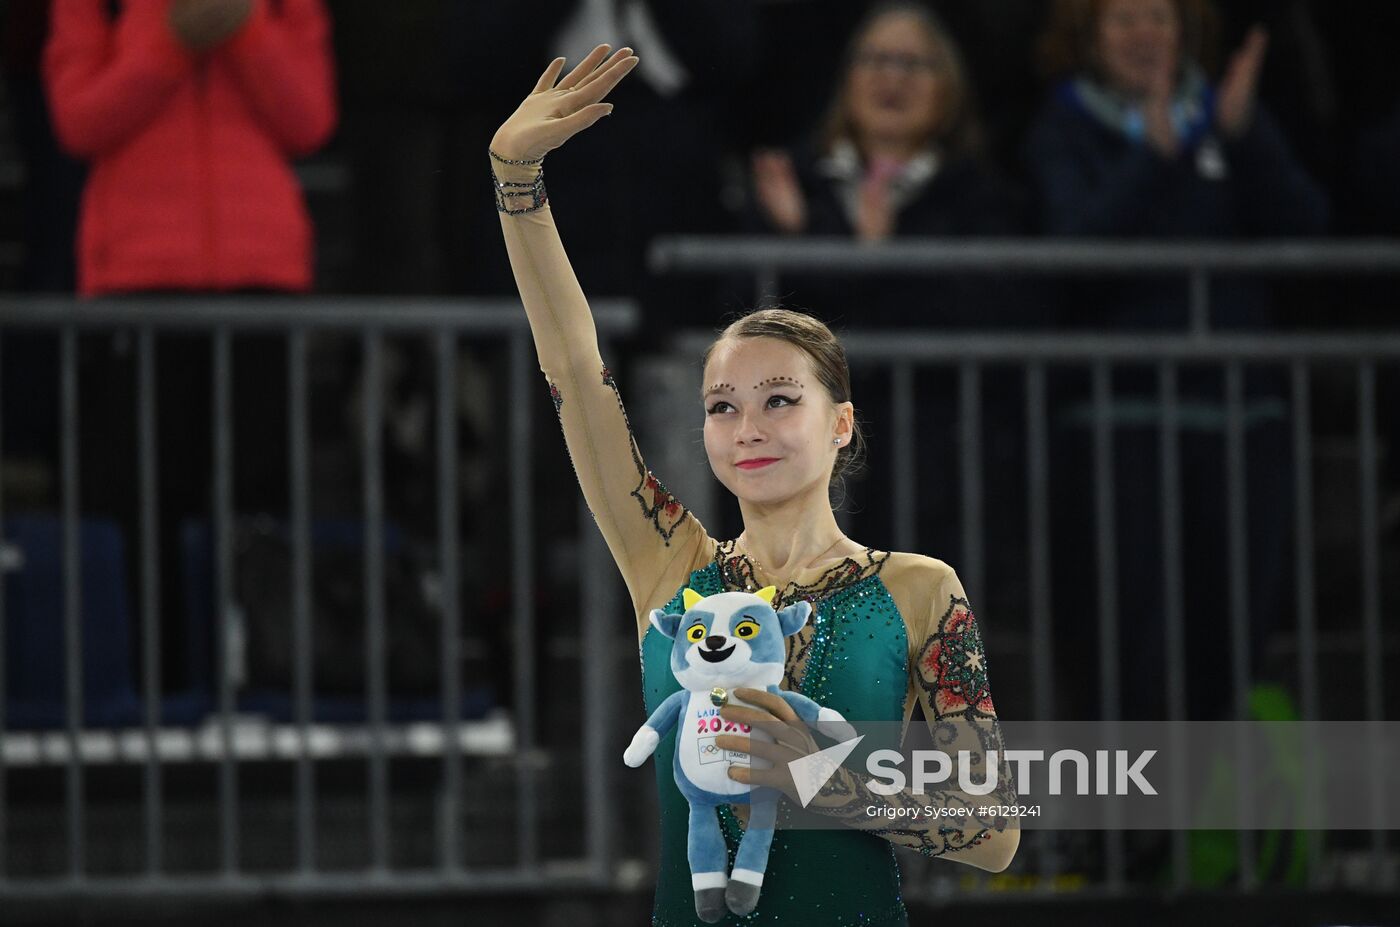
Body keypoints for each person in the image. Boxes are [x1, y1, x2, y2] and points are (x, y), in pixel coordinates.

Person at [489, 45, 1018, 925]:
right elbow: (576, 370)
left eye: (781, 399)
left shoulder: (921, 590)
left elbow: (995, 831)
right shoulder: (672, 568)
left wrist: (827, 778)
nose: (750, 427)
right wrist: (516, 181)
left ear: (840, 422)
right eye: (723, 406)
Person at [1025, 0, 1326, 724]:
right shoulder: (1063, 127)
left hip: (1238, 418)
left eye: (1159, 18)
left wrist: (1246, 137)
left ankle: (1208, 826)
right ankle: (1126, 833)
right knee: (1127, 643)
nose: (1144, 35)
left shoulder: (1229, 116)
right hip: (1117, 423)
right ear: (1089, 36)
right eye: (1123, 20)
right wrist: (1151, 160)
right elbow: (1070, 259)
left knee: (1231, 633)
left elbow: (1310, 238)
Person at [43, 0, 336, 693]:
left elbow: (310, 117)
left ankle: (262, 688)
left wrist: (243, 28)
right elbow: (78, 117)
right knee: (145, 502)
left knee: (257, 503)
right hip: (137, 279)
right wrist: (171, 40)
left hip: (260, 277)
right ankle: (159, 698)